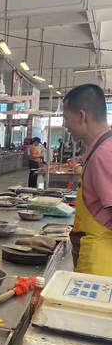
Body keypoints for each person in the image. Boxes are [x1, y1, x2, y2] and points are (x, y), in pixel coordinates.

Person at [62, 84, 112, 277]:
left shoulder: (104, 155)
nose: (66, 126)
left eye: (67, 119)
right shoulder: (102, 148)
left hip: (101, 263)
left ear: (82, 116)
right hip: (94, 255)